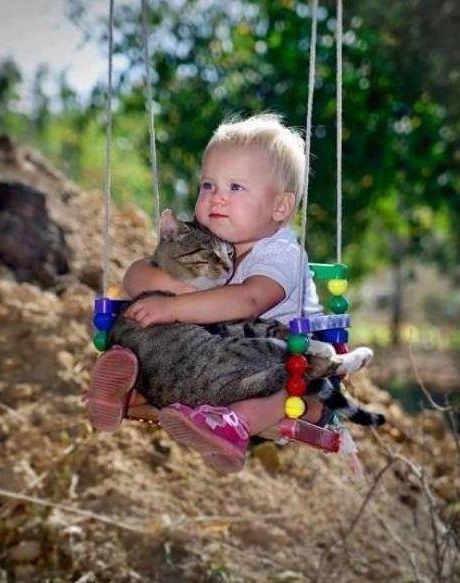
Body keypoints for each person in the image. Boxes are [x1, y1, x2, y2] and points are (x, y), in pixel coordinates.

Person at [88, 114, 365, 472]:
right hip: (224, 358)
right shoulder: (211, 241)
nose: (216, 197)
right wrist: (174, 288)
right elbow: (137, 274)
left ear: (280, 207)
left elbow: (249, 301)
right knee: (160, 345)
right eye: (208, 185)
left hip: (293, 361)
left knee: (281, 387)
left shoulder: (281, 253)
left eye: (235, 187)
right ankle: (125, 390)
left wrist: (175, 308)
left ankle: (233, 425)